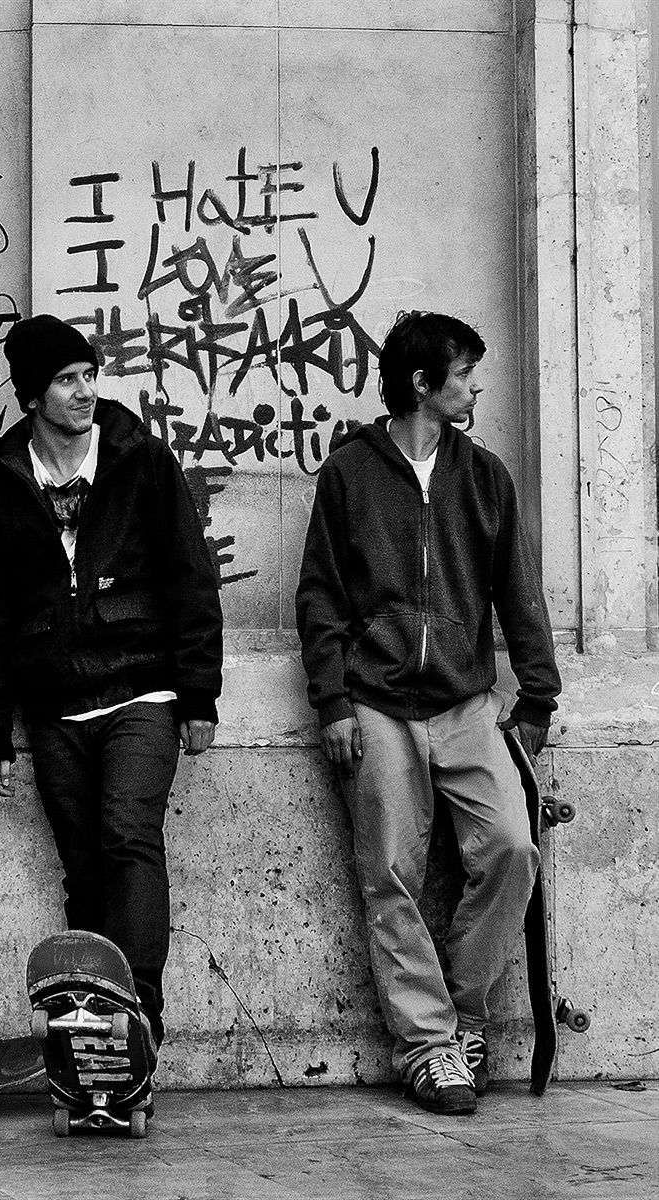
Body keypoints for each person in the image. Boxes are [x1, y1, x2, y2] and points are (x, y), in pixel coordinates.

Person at [296, 310, 560, 1116]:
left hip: (466, 701)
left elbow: (518, 591)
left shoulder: (484, 476)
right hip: (376, 702)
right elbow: (319, 595)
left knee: (513, 846)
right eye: (465, 374)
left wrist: (538, 696)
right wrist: (333, 701)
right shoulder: (350, 472)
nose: (476, 388)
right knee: (391, 873)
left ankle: (464, 1016)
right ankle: (426, 1047)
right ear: (422, 383)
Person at [0, 313, 223, 1050]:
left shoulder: (140, 458)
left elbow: (191, 577)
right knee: (81, 864)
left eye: (88, 376)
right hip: (55, 701)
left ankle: (138, 1015)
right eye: (65, 380)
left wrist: (199, 692)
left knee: (127, 838)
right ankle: (93, 1025)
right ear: (31, 396)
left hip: (142, 688)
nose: (84, 392)